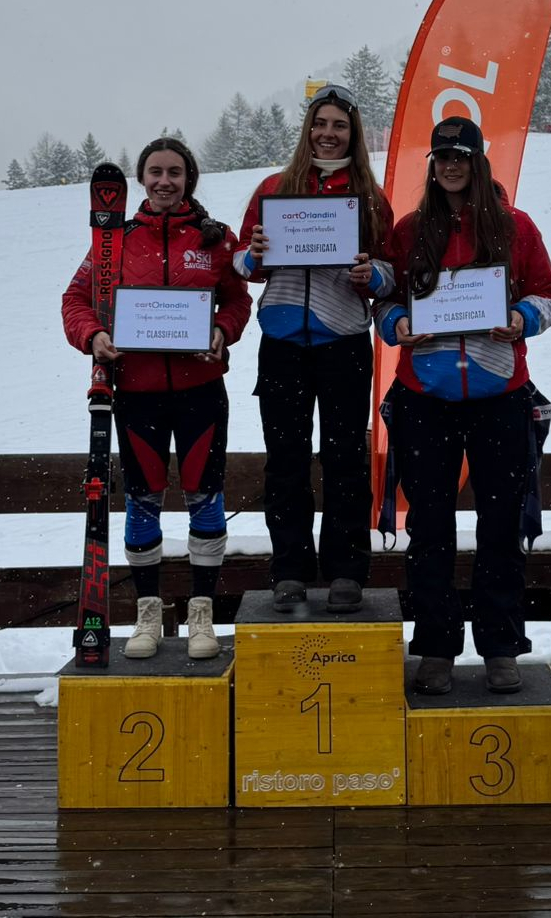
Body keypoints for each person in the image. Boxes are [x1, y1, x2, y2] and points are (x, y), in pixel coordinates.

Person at [375, 115, 551, 695]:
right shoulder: (408, 230)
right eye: (442, 157)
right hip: (425, 397)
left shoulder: (514, 226)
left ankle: (501, 646)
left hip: (500, 395)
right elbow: (383, 305)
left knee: (501, 526)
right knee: (429, 528)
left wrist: (522, 317)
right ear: (432, 165)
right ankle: (435, 647)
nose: (451, 165)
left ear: (479, 162)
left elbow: (549, 294)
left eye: (461, 156)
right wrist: (400, 324)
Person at [62, 138, 252, 660]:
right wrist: (93, 336)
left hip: (200, 394)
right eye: (154, 172)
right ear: (141, 180)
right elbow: (75, 299)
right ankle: (148, 614)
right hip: (137, 395)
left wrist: (221, 329)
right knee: (143, 500)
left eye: (174, 172)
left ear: (189, 178)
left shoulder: (214, 238)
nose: (164, 181)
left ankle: (201, 615)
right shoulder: (113, 241)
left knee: (204, 498)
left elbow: (238, 300)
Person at [234, 84, 394, 614]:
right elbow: (242, 266)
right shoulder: (275, 187)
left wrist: (373, 275)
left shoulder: (369, 197)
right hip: (281, 342)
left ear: (354, 134)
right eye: (320, 124)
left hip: (344, 341)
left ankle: (347, 569)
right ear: (308, 130)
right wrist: (252, 255)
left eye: (339, 126)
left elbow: (392, 272)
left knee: (345, 458)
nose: (328, 134)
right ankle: (290, 570)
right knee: (286, 461)